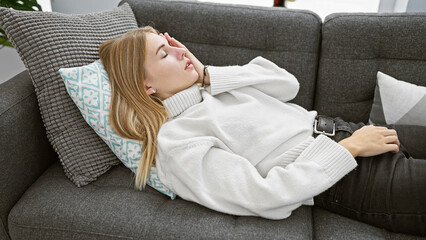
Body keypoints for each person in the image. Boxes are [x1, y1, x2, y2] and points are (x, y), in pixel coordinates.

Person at [98, 26, 426, 236]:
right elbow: (265, 196)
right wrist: (348, 149)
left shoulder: (212, 88)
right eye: (164, 53)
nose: (181, 52)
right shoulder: (177, 140)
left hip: (350, 131)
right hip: (347, 173)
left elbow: (287, 84)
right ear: (146, 85)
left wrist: (209, 74)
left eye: (174, 45)